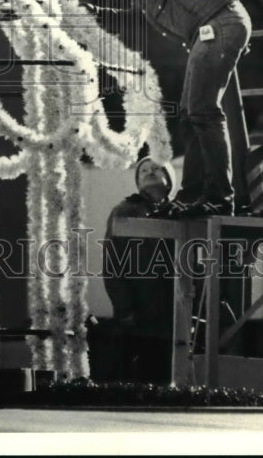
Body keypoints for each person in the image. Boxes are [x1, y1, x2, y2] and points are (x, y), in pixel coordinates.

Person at [61, 0, 251, 218]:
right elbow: (120, 2)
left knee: (202, 113)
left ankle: (219, 196)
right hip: (212, 29)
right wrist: (88, 8)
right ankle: (193, 195)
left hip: (217, 25)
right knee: (192, 115)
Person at [94, 157, 176, 383]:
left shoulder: (180, 214)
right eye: (143, 170)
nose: (149, 172)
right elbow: (112, 263)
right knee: (135, 383)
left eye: (156, 168)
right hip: (136, 320)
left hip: (172, 322)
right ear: (137, 183)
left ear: (169, 178)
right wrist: (124, 309)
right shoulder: (124, 211)